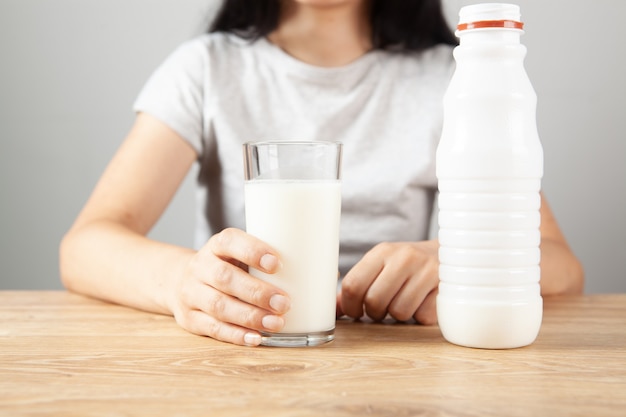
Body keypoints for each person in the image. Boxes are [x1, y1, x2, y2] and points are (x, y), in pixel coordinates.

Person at [59, 0, 584, 347]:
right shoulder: (207, 69)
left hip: (398, 362)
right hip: (250, 350)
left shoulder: (456, 76)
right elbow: (85, 247)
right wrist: (183, 282)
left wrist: (462, 257)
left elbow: (561, 264)